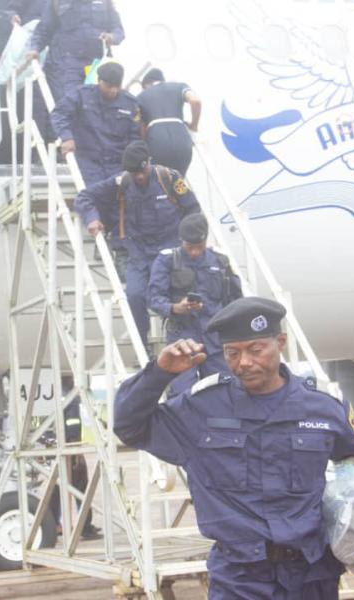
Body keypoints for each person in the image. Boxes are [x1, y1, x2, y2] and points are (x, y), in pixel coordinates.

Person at [114, 297, 354, 599]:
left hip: (312, 577)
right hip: (240, 580)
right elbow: (129, 427)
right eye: (232, 353)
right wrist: (160, 372)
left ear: (280, 342)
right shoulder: (201, 409)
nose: (244, 362)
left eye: (255, 350)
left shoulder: (323, 409)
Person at [75, 141, 200, 345]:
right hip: (139, 254)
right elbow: (84, 196)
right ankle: (143, 347)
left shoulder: (169, 178)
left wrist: (190, 243)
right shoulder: (121, 182)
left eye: (142, 170)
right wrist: (91, 218)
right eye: (134, 173)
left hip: (170, 252)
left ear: (149, 162)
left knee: (176, 298)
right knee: (134, 297)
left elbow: (193, 209)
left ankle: (181, 343)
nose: (139, 176)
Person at [148, 213, 242, 392]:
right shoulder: (167, 260)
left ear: (206, 240)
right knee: (182, 394)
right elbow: (154, 298)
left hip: (215, 338)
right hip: (181, 338)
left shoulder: (220, 261)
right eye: (189, 247)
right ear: (181, 240)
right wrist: (175, 308)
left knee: (225, 390)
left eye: (199, 247)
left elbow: (235, 300)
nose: (194, 252)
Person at [25, 0, 125, 139]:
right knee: (68, 104)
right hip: (66, 64)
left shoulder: (105, 2)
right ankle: (64, 147)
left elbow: (118, 29)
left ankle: (90, 149)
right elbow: (44, 29)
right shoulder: (57, 2)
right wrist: (34, 48)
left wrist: (112, 37)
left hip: (96, 64)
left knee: (97, 106)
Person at [51, 61, 141, 186]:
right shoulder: (81, 95)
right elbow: (59, 114)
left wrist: (133, 160)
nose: (113, 90)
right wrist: (67, 137)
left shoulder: (130, 103)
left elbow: (135, 135)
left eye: (117, 86)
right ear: (99, 81)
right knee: (95, 196)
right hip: (88, 161)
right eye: (109, 86)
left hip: (117, 163)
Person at [137, 68, 201, 175]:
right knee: (178, 181)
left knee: (159, 182)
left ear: (146, 84)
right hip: (182, 141)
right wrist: (194, 126)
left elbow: (142, 127)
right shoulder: (179, 87)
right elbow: (195, 101)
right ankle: (179, 189)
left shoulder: (140, 97)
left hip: (157, 143)